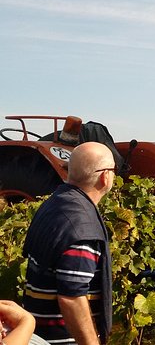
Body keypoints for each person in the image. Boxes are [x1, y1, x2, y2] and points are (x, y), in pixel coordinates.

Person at [22, 142, 116, 345]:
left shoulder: (55, 204)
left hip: (37, 334)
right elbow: (72, 297)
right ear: (105, 176)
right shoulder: (81, 228)